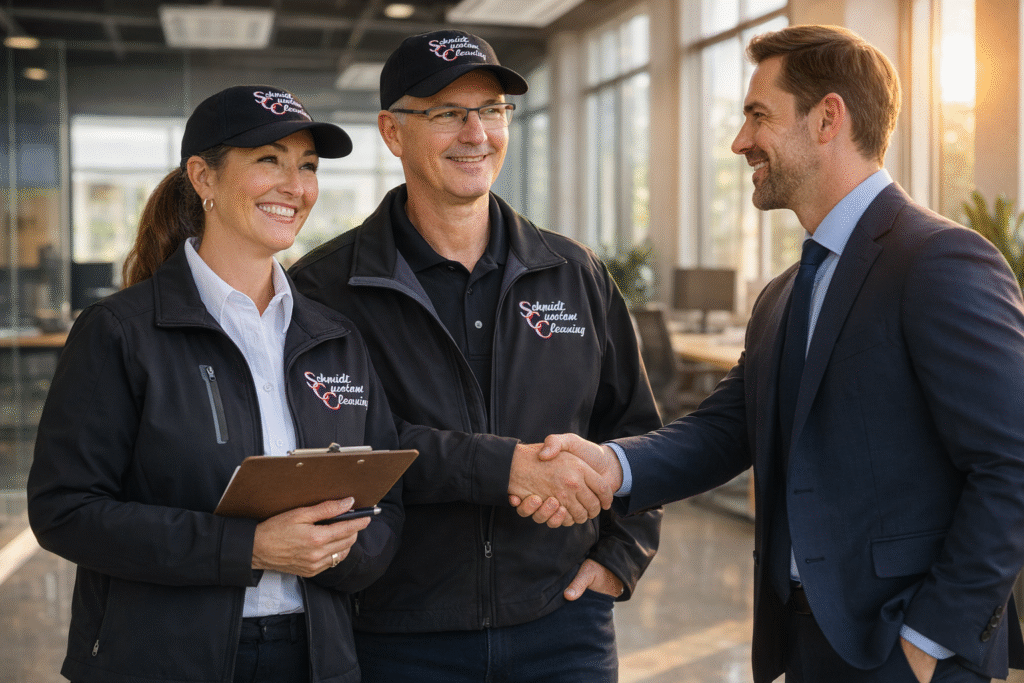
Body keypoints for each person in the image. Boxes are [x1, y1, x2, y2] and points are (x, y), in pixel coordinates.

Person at [525, 24, 1024, 683]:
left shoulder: (938, 260)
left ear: (828, 118)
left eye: (758, 115)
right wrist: (609, 464)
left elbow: (1011, 461)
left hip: (902, 647)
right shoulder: (785, 292)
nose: (740, 141)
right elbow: (725, 430)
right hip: (806, 640)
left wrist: (930, 636)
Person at [289, 29, 662, 683]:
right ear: (392, 130)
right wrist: (507, 468)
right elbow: (337, 455)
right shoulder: (325, 289)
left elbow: (634, 428)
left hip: (563, 625)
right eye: (446, 112)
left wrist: (622, 556)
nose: (476, 132)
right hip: (400, 635)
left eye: (491, 110)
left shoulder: (572, 273)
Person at [27, 85, 404, 683]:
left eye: (307, 166)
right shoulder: (121, 332)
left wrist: (339, 553)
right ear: (203, 177)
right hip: (163, 659)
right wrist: (247, 548)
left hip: (315, 657)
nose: (296, 185)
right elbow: (64, 511)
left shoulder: (335, 338)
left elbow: (387, 504)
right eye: (268, 160)